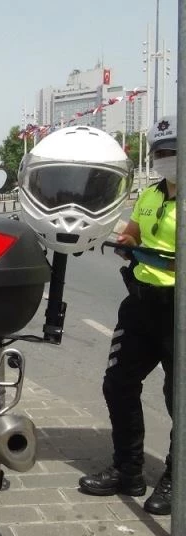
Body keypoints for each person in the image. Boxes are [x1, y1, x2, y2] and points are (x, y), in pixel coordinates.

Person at [78, 116, 177, 514]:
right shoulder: (152, 195)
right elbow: (136, 233)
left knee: (179, 399)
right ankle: (128, 469)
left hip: (179, 312)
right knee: (118, 384)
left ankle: (175, 478)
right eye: (161, 152)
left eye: (174, 151)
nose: (167, 159)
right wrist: (126, 241)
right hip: (140, 306)